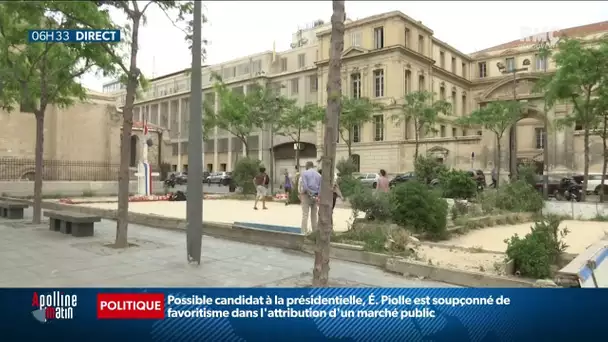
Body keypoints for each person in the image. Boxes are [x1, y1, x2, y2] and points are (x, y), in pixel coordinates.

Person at [299, 161, 321, 234]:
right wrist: (316, 196)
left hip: (306, 195)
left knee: (305, 214)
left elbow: (305, 186)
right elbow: (320, 188)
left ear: (307, 166)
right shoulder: (319, 175)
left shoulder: (304, 173)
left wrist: (309, 193)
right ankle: (314, 232)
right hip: (315, 196)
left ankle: (303, 232)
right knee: (314, 216)